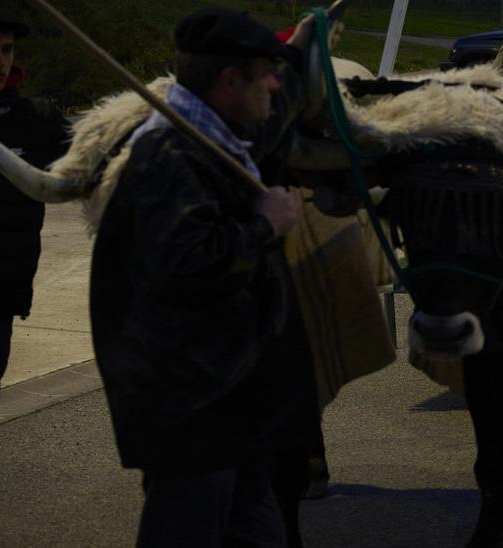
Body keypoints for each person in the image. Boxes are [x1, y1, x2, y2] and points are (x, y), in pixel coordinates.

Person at [90, 8, 321, 546]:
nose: (274, 84)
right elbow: (189, 266)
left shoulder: (214, 134)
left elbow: (269, 110)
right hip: (191, 410)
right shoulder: (171, 154)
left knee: (259, 532)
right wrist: (267, 224)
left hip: (228, 404)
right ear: (228, 80)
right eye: (266, 71)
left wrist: (300, 49)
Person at [0, 7, 69, 396]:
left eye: (7, 50)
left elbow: (97, 161)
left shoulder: (38, 119)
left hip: (4, 285)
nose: (1, 63)